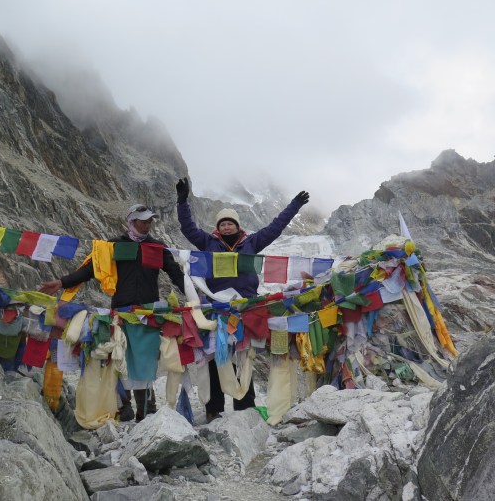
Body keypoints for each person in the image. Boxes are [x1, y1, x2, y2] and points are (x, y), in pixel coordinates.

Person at [175, 177, 310, 421]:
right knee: (214, 357)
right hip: (216, 308)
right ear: (218, 228)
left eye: (230, 223)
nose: (227, 227)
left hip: (245, 308)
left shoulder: (251, 243)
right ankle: (213, 410)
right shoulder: (207, 242)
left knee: (244, 357)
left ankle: (245, 409)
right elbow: (187, 228)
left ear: (237, 226)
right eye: (223, 224)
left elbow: (275, 228)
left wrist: (294, 206)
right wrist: (182, 201)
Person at [39, 204, 186, 422]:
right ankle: (123, 406)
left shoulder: (157, 247)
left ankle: (146, 409)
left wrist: (195, 297)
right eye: (143, 221)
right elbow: (89, 270)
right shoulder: (113, 245)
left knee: (144, 360)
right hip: (121, 312)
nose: (147, 225)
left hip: (147, 314)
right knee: (119, 357)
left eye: (150, 221)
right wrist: (61, 282)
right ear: (131, 221)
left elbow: (175, 273)